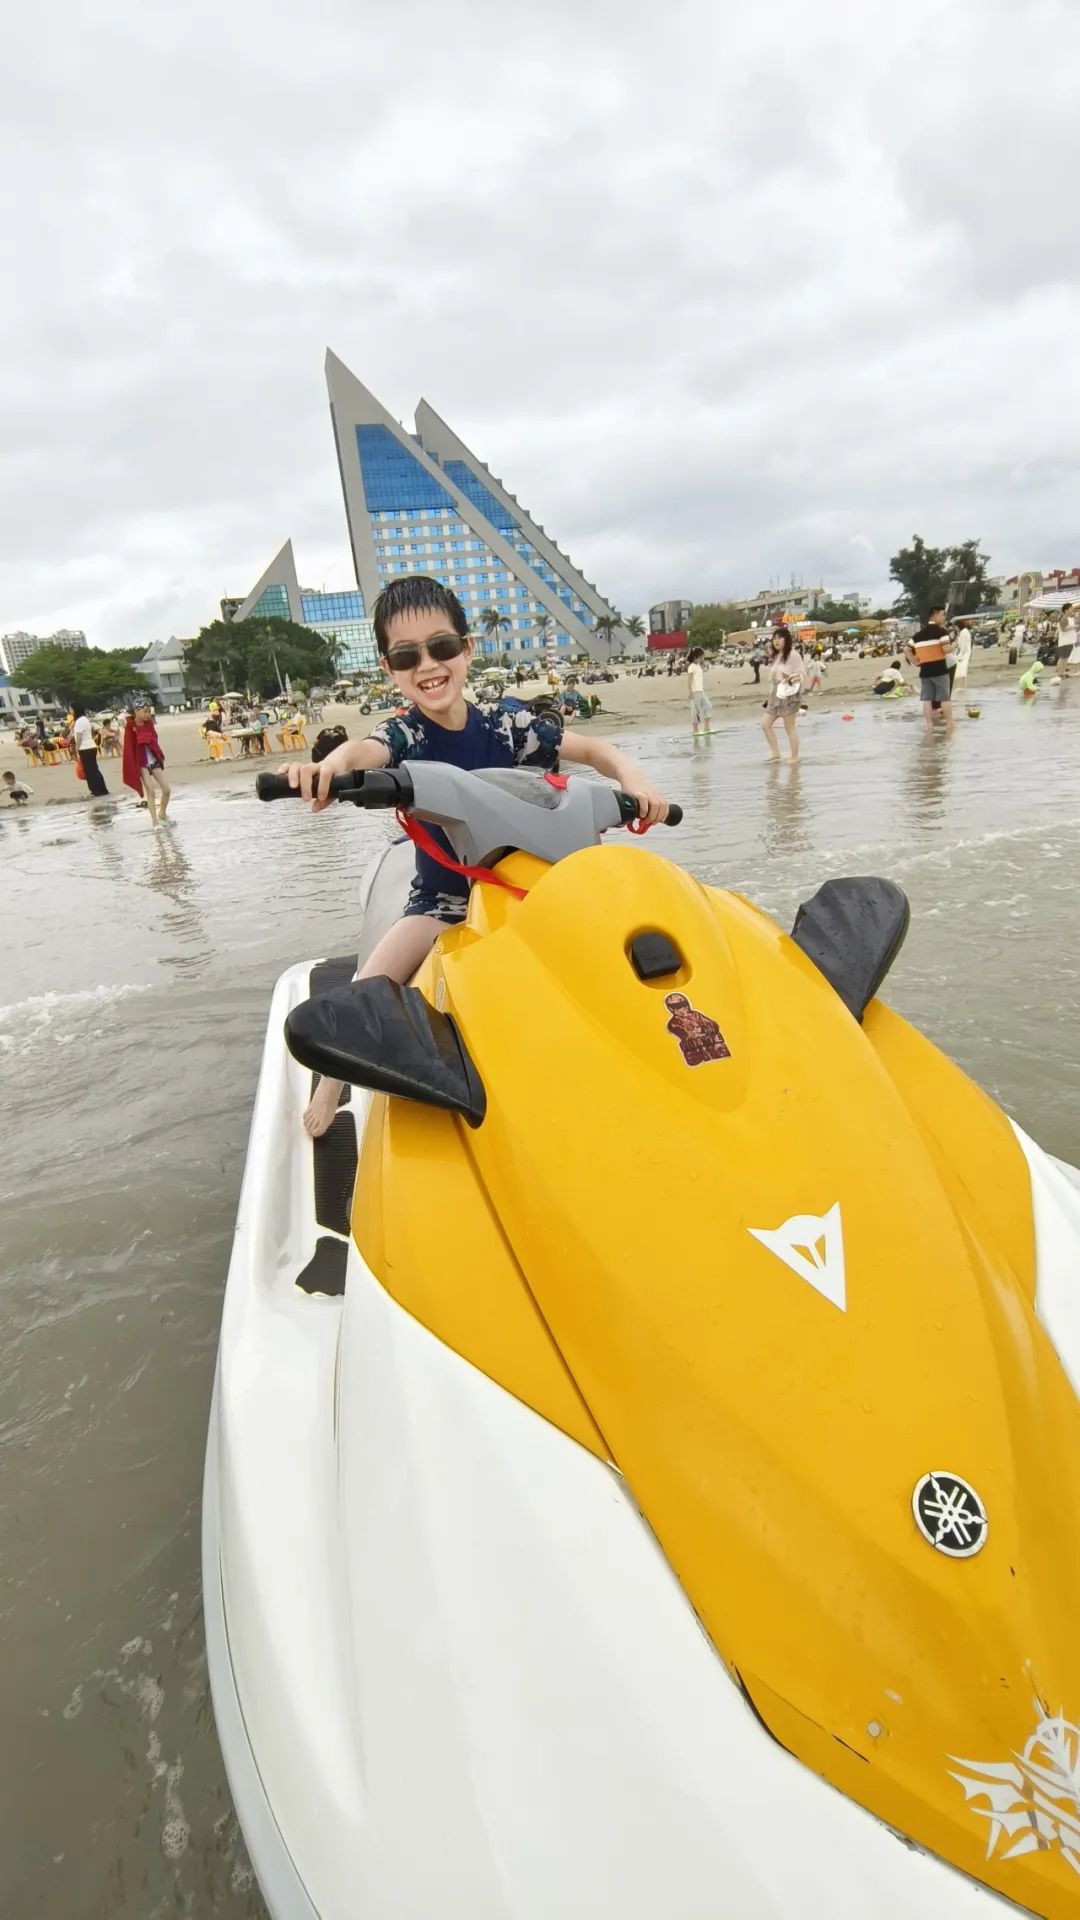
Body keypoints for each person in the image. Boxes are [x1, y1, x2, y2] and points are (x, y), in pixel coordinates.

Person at [288, 574, 672, 1138]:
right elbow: (361, 752)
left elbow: (593, 749)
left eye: (441, 646)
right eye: (406, 655)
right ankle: (331, 1084)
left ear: (467, 649)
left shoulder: (507, 723)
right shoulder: (405, 736)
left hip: (530, 888)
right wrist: (329, 770)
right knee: (371, 980)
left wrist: (637, 783)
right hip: (445, 898)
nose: (427, 665)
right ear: (389, 668)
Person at [906, 604, 955, 737]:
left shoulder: (918, 635)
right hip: (939, 669)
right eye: (943, 614)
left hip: (925, 671)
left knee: (927, 699)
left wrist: (914, 661)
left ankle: (929, 725)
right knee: (944, 698)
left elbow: (906, 649)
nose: (944, 617)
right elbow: (946, 650)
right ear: (935, 615)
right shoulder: (941, 632)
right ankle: (950, 723)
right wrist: (955, 644)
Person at [761, 629, 805, 763]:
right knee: (765, 724)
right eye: (774, 638)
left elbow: (801, 674)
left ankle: (794, 757)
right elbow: (773, 678)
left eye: (780, 638)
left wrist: (791, 678)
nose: (776, 641)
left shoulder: (793, 655)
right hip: (775, 695)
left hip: (789, 694)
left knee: (789, 727)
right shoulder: (777, 656)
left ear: (787, 640)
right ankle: (775, 753)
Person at [122, 705, 171, 823]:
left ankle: (162, 813)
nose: (148, 715)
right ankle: (155, 822)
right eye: (145, 712)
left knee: (167, 789)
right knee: (151, 791)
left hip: (153, 759)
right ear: (137, 711)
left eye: (149, 712)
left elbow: (153, 738)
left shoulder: (149, 724)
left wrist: (142, 735)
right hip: (141, 762)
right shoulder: (130, 726)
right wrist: (139, 733)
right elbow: (130, 746)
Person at [71, 702, 109, 797]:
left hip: (85, 748)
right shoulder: (84, 719)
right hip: (90, 746)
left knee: (90, 771)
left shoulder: (79, 721)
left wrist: (76, 748)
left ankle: (96, 790)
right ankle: (101, 789)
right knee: (94, 769)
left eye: (71, 709)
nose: (70, 711)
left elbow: (78, 737)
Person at [687, 647, 713, 736]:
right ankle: (695, 730)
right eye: (701, 657)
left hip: (701, 691)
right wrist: (690, 692)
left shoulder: (698, 666)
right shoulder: (691, 667)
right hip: (695, 692)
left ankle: (707, 727)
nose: (703, 658)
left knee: (708, 706)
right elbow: (689, 681)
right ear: (696, 657)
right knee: (696, 711)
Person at [951, 620, 973, 694]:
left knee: (960, 671)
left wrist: (959, 656)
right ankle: (961, 687)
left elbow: (963, 646)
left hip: (964, 654)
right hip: (964, 653)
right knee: (962, 671)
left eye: (955, 627)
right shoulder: (963, 632)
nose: (955, 628)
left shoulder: (964, 632)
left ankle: (960, 688)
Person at [1056, 604, 1077, 679]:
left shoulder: (1070, 618)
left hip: (1070, 641)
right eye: (1071, 608)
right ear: (1066, 610)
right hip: (1064, 641)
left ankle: (1063, 673)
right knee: (1062, 658)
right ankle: (1059, 674)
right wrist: (1072, 627)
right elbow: (1063, 629)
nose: (1072, 609)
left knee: (1066, 658)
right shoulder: (1064, 618)